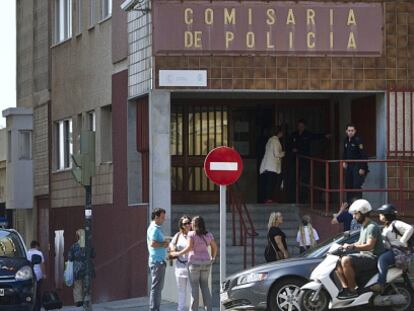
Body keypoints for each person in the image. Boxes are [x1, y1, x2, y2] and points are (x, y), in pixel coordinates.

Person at [335, 199, 385, 299]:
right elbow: (360, 243)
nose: (354, 217)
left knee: (346, 260)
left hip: (373, 257)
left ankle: (353, 290)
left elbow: (370, 246)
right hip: (365, 256)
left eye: (355, 214)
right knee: (336, 261)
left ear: (363, 213)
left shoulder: (372, 226)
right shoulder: (364, 227)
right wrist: (346, 246)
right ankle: (346, 289)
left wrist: (353, 247)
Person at [171, 216, 218, 311]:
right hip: (206, 263)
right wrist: (213, 257)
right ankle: (209, 309)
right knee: (205, 287)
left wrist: (178, 253)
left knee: (194, 289)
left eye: (192, 222)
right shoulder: (208, 234)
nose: (190, 223)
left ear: (195, 224)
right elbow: (215, 247)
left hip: (194, 263)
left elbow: (189, 248)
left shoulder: (191, 234)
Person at [370, 204, 414, 293]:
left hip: (400, 252)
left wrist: (402, 241)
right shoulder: (386, 227)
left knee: (383, 259)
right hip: (392, 251)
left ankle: (381, 284)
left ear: (387, 215)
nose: (379, 215)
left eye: (381, 214)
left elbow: (410, 228)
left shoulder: (396, 223)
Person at [286, 119, 330, 202]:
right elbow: (288, 145)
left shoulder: (308, 134)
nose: (300, 128)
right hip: (295, 160)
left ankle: (303, 199)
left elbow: (316, 136)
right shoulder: (294, 134)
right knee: (294, 178)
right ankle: (293, 198)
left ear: (305, 127)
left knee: (304, 179)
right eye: (299, 126)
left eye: (302, 126)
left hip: (305, 160)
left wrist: (325, 135)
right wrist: (292, 150)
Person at [147, 208, 169, 311]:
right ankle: (154, 308)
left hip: (158, 261)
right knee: (156, 288)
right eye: (162, 217)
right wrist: (164, 244)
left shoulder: (156, 227)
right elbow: (153, 243)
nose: (164, 220)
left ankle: (155, 308)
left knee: (158, 287)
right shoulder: (154, 229)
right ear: (156, 217)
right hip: (157, 262)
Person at [169, 216, 192, 311]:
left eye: (188, 223)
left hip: (191, 267)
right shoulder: (178, 235)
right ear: (181, 226)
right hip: (180, 267)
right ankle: (180, 309)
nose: (187, 225)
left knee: (192, 291)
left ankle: (192, 309)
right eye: (185, 224)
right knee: (181, 291)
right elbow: (171, 244)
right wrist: (172, 249)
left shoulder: (193, 235)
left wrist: (178, 252)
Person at [68, 229, 95, 307]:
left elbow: (70, 257)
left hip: (77, 268)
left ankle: (78, 300)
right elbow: (93, 255)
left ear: (78, 236)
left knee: (78, 284)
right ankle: (87, 298)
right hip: (87, 267)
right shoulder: (89, 245)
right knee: (87, 283)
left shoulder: (73, 246)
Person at [343, 123, 368, 201]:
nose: (350, 132)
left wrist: (362, 167)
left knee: (356, 185)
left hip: (357, 165)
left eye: (352, 130)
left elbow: (363, 154)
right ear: (346, 131)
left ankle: (358, 204)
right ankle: (349, 203)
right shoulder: (346, 140)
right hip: (349, 165)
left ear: (355, 131)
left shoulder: (358, 140)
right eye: (349, 130)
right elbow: (345, 152)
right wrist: (344, 161)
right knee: (348, 184)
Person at [259, 126, 285, 203]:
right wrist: (284, 153)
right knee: (271, 183)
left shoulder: (270, 140)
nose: (282, 133)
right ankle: (269, 199)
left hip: (267, 165)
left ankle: (267, 199)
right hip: (272, 166)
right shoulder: (275, 141)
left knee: (268, 183)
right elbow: (277, 154)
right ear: (279, 133)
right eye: (281, 132)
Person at [27, 241, 46, 311]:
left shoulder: (26, 253)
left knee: (30, 292)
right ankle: (38, 307)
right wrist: (44, 274)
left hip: (29, 275)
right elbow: (42, 264)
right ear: (36, 246)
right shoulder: (39, 253)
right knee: (38, 292)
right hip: (38, 275)